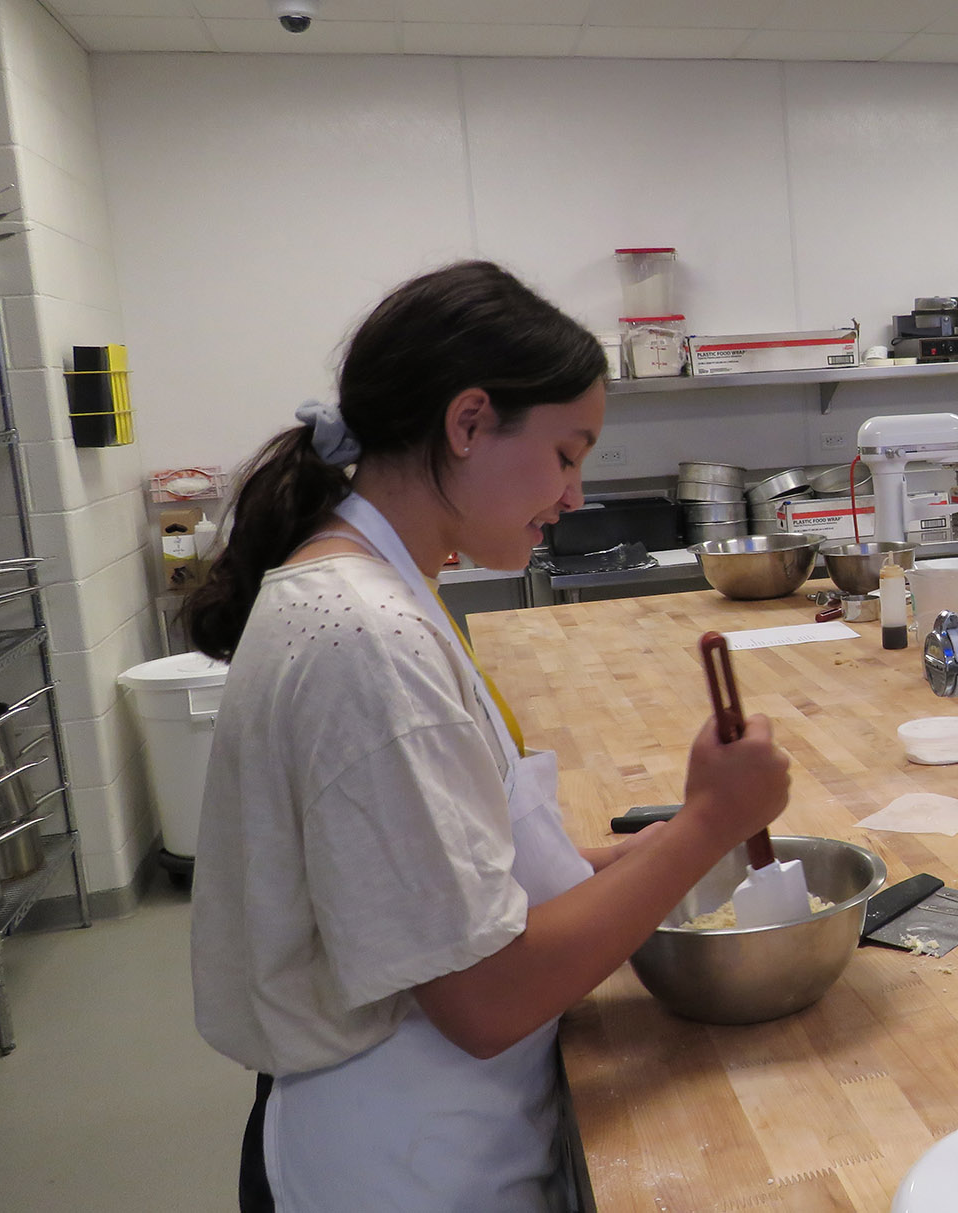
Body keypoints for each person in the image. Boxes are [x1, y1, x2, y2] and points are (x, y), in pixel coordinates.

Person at [183, 261, 791, 1212]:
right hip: (403, 1159)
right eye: (566, 454)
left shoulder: (374, 589)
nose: (576, 495)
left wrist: (658, 850)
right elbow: (486, 995)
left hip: (434, 1127)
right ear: (468, 423)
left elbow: (454, 868)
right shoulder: (368, 638)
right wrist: (709, 825)